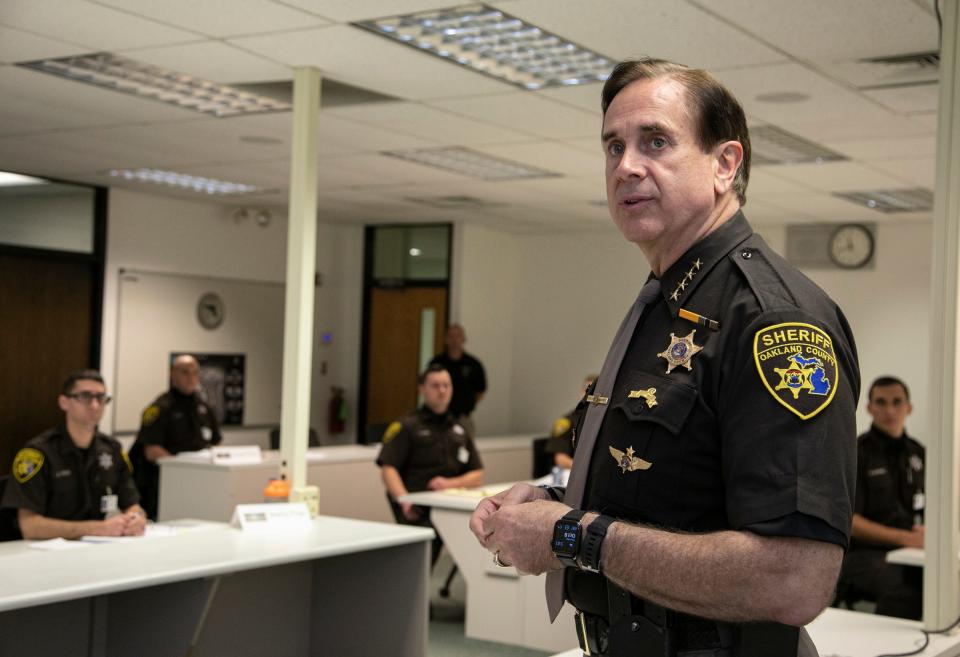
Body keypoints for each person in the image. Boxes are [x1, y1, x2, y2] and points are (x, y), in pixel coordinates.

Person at [469, 57, 859, 657]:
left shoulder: (772, 320)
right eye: (613, 146)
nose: (626, 166)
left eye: (655, 141)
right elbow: (670, 500)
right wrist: (554, 509)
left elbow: (792, 579)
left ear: (725, 164)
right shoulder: (667, 304)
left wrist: (574, 536)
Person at [1, 369, 145, 539]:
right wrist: (97, 528)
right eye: (85, 396)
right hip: (45, 553)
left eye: (100, 397)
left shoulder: (112, 449)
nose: (94, 405)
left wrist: (137, 519)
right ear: (64, 402)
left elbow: (132, 504)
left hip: (95, 548)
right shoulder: (37, 454)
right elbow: (30, 527)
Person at [377, 364, 485, 565]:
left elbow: (477, 474)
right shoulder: (407, 426)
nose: (442, 391)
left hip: (448, 503)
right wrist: (404, 500)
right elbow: (388, 469)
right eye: (435, 385)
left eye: (446, 385)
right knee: (418, 560)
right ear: (422, 389)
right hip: (417, 507)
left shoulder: (460, 427)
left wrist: (449, 484)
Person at [837, 376, 924, 619]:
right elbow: (851, 522)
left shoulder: (919, 453)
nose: (889, 410)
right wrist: (907, 539)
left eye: (897, 402)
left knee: (946, 580)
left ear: (909, 408)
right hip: (864, 555)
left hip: (912, 551)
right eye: (881, 402)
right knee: (908, 592)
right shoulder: (856, 453)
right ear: (869, 408)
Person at [130, 354, 222, 519]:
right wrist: (183, 469)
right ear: (173, 374)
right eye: (185, 372)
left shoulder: (203, 407)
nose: (191, 378)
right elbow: (152, 451)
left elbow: (217, 444)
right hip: (164, 484)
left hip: (200, 482)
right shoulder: (160, 408)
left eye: (195, 373)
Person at [429, 324, 486, 435]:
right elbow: (429, 387)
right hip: (439, 417)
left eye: (458, 336)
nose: (454, 339)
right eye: (451, 336)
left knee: (466, 450)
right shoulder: (437, 363)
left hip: (463, 418)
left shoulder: (473, 364)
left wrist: (467, 404)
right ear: (446, 339)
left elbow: (481, 391)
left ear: (464, 339)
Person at [546, 375, 598, 470]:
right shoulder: (566, 422)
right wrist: (587, 469)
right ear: (582, 392)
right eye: (588, 390)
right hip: (574, 473)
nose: (591, 395)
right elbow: (561, 459)